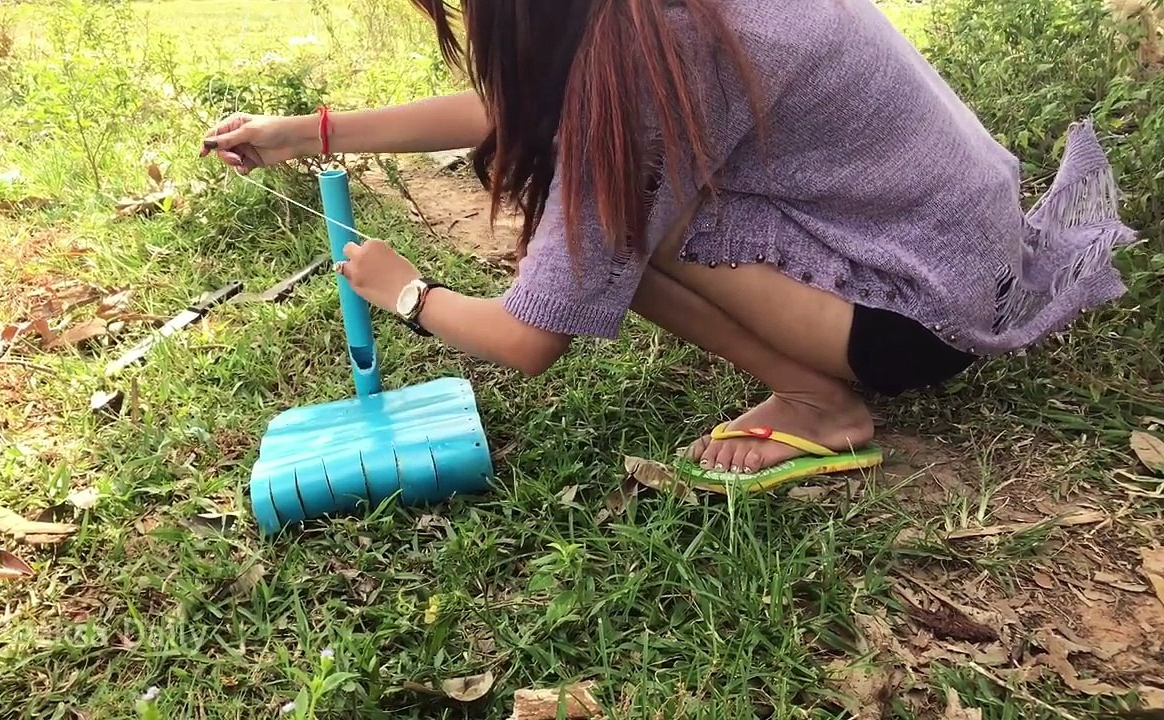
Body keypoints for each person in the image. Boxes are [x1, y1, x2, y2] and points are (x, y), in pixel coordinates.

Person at [201, 0, 1134, 486]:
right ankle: (819, 381)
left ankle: (823, 407)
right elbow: (529, 102)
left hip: (921, 316)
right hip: (963, 250)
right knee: (604, 201)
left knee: (610, 225)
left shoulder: (658, 60)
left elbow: (531, 338)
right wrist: (308, 132)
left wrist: (405, 291)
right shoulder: (660, 18)